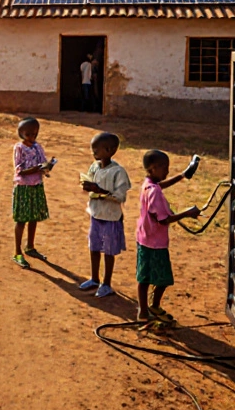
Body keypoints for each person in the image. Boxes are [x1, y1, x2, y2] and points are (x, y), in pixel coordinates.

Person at [135, 150, 200, 322]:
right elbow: (164, 220)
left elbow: (161, 186)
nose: (167, 171)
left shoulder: (148, 184)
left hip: (145, 239)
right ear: (153, 168)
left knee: (144, 277)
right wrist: (188, 213)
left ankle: (145, 310)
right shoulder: (154, 191)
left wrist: (183, 175)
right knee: (161, 278)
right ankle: (151, 307)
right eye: (164, 168)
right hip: (155, 243)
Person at [78, 132, 131, 298]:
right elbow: (90, 184)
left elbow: (120, 196)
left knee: (108, 251)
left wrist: (99, 190)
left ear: (109, 150)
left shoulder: (118, 172)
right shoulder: (94, 167)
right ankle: (94, 278)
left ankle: (106, 283)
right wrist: (87, 187)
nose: (93, 153)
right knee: (94, 247)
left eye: (96, 150)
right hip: (96, 215)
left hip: (111, 218)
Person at [11, 117, 54, 269]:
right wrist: (36, 168)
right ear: (21, 133)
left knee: (34, 217)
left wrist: (48, 167)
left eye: (35, 134)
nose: (32, 137)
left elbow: (43, 164)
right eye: (28, 134)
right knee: (22, 219)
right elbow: (20, 170)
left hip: (36, 185)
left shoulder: (37, 147)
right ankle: (17, 252)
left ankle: (30, 246)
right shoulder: (19, 148)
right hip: (23, 187)